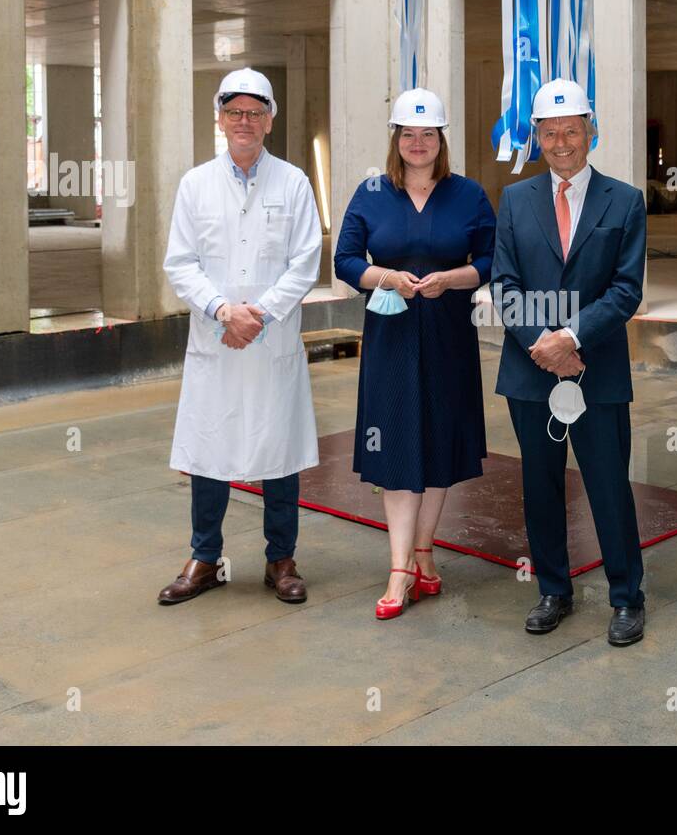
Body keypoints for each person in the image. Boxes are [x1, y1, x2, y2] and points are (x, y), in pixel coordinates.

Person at [158, 67, 323, 606]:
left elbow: (305, 263)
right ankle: (204, 558)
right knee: (210, 450)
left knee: (279, 451)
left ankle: (282, 560)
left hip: (270, 341)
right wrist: (224, 311)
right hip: (217, 339)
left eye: (255, 112)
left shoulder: (295, 182)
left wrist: (259, 315)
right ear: (220, 118)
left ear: (270, 119)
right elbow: (180, 263)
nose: (244, 121)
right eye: (235, 112)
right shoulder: (195, 184)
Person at [492, 78, 648, 647]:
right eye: (550, 133)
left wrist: (571, 339)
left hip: (596, 371)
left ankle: (627, 597)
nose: (562, 143)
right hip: (531, 370)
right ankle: (554, 590)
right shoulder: (514, 201)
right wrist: (543, 342)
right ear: (536, 137)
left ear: (591, 131)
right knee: (540, 487)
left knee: (608, 486)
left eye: (572, 131)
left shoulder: (625, 201)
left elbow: (626, 291)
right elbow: (504, 283)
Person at [334, 88, 496, 620]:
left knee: (439, 443)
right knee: (399, 442)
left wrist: (454, 279)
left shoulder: (468, 194)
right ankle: (400, 567)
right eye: (409, 134)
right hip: (392, 334)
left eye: (428, 134)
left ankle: (425, 551)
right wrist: (385, 277)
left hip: (450, 333)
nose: (418, 143)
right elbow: (345, 259)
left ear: (441, 139)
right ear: (396, 139)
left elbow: (493, 259)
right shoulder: (372, 192)